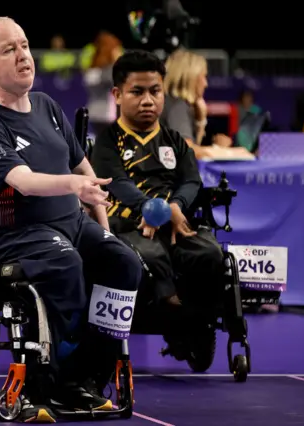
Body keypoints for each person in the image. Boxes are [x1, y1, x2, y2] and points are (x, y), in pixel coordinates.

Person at [0, 17, 142, 423]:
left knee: (124, 263)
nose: (23, 55)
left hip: (70, 224)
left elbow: (84, 170)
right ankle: (52, 382)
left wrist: (104, 228)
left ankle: (88, 379)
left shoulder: (48, 107)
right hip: (12, 232)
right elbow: (23, 182)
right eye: (9, 49)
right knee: (66, 265)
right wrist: (74, 186)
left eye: (24, 45)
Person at [90, 50, 224, 312]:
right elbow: (117, 183)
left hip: (175, 221)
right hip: (129, 225)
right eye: (137, 92)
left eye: (155, 91)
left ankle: (198, 320)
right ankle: (170, 311)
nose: (148, 100)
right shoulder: (107, 141)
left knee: (210, 253)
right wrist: (155, 210)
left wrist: (176, 205)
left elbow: (191, 180)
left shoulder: (174, 140)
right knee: (148, 255)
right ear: (117, 95)